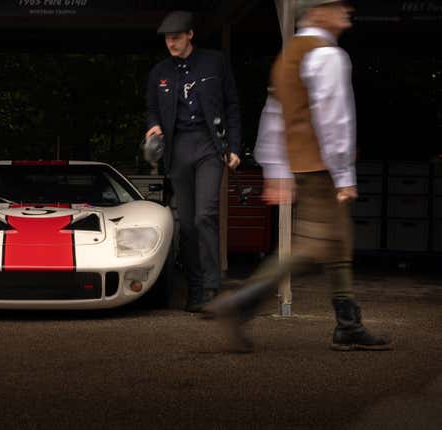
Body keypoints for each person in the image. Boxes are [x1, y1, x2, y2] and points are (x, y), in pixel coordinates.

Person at [204, 0, 391, 352]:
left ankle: (348, 324)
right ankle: (239, 304)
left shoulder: (290, 54)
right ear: (317, 12)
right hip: (322, 168)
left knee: (336, 242)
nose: (346, 12)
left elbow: (274, 114)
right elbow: (335, 119)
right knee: (310, 249)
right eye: (338, 7)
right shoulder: (328, 55)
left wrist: (276, 169)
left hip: (303, 166)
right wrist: (344, 174)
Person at [145, 11, 242, 312]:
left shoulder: (214, 62)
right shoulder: (158, 72)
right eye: (167, 39)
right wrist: (153, 126)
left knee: (205, 215)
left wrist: (235, 147)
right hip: (177, 150)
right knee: (186, 224)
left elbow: (232, 105)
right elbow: (150, 110)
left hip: (210, 146)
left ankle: (214, 288)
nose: (170, 43)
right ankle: (196, 289)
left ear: (190, 35)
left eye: (175, 37)